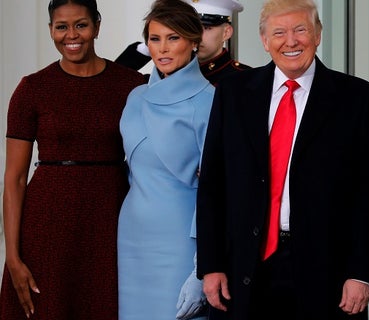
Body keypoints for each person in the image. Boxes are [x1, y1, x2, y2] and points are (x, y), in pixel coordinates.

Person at [195, 0, 369, 319]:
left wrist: (360, 272)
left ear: (318, 34)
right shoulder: (233, 91)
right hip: (245, 266)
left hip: (328, 271)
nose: (291, 41)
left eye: (301, 30)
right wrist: (210, 266)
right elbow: (213, 183)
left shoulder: (357, 97)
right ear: (265, 41)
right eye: (279, 32)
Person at [0, 0, 146, 319]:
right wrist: (12, 255)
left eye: (80, 24)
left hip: (111, 218)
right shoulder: (31, 89)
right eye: (61, 26)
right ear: (51, 30)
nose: (71, 35)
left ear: (96, 25)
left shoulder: (133, 86)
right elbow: (14, 178)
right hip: (47, 224)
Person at [116, 0, 214, 319]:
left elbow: (215, 188)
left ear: (194, 41)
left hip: (181, 239)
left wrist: (203, 268)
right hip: (132, 235)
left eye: (173, 38)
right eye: (155, 39)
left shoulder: (210, 100)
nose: (163, 48)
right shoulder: (135, 97)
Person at [115, 0, 250, 86]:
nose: (197, 35)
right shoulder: (166, 73)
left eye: (206, 28)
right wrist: (146, 48)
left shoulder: (244, 78)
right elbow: (114, 80)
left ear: (226, 32)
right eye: (185, 30)